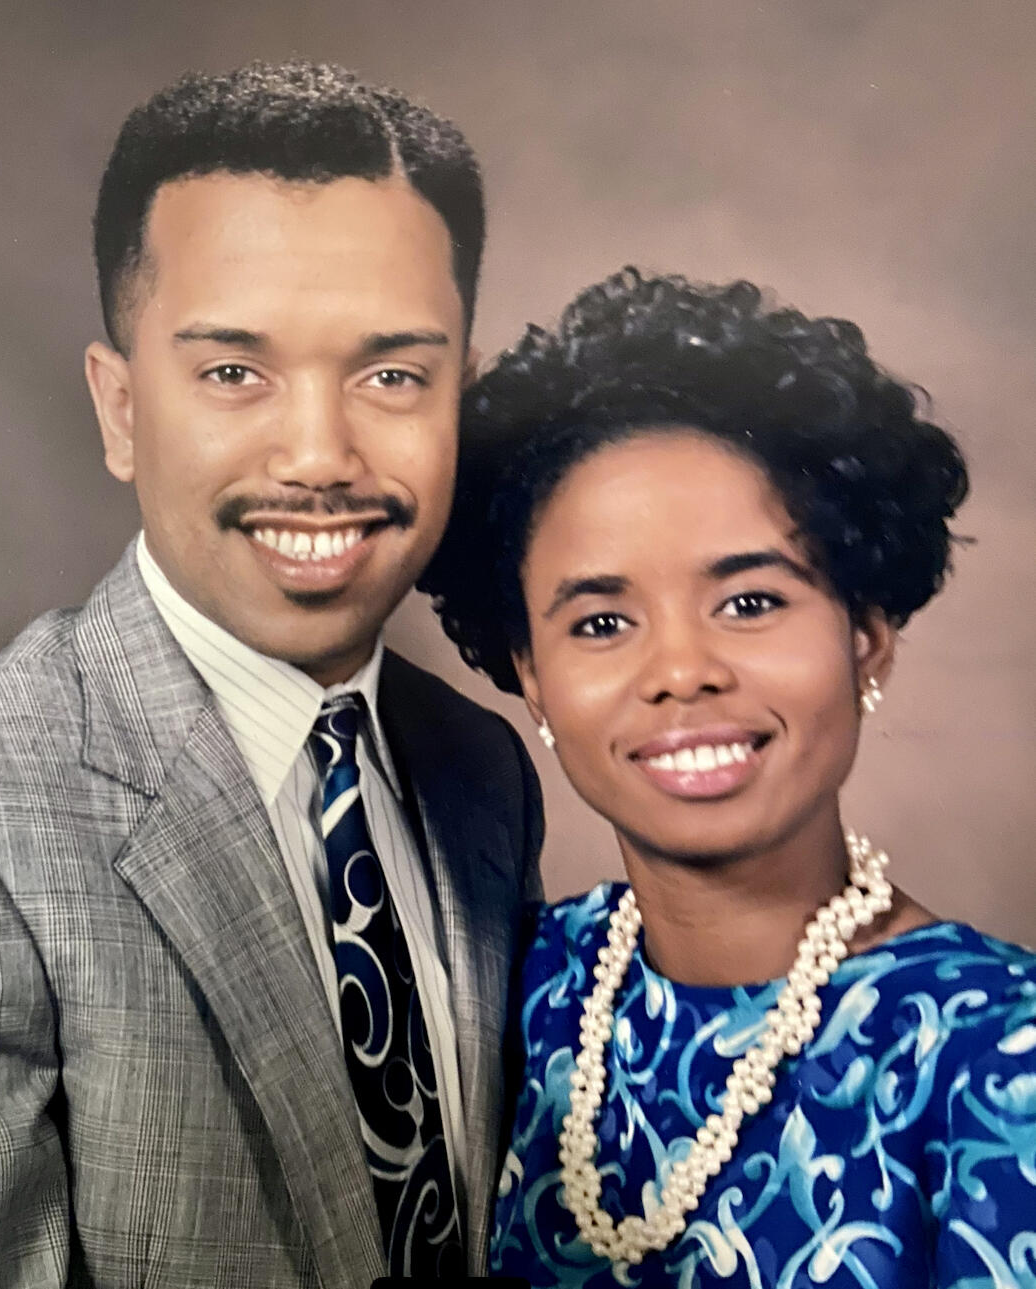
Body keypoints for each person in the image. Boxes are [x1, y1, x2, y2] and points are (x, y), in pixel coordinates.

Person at [0, 61, 543, 1288]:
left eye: (393, 374)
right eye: (235, 372)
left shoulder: (478, 766)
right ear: (121, 409)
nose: (319, 453)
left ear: (464, 401)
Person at [420, 269, 1036, 1286]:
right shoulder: (515, 986)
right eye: (601, 623)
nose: (681, 672)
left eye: (750, 601)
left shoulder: (997, 1053)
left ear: (867, 637)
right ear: (530, 674)